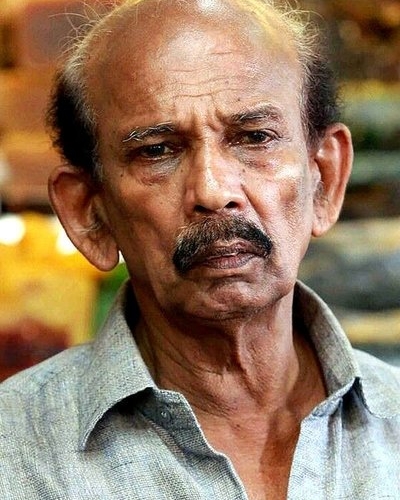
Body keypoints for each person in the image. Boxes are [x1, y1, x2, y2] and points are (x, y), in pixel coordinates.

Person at [1, 0, 399, 498]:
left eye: (254, 137)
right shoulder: (15, 453)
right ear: (90, 215)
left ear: (325, 180)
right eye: (157, 151)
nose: (213, 190)